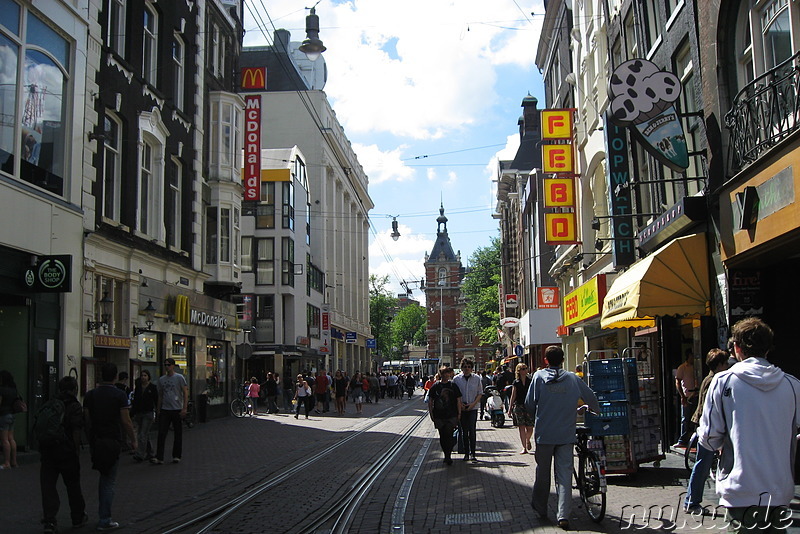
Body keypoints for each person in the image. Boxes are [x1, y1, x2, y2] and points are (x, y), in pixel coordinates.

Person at [698, 317, 800, 531]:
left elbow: (709, 437)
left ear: (736, 348)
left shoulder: (723, 382)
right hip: (779, 490)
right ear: (768, 348)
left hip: (740, 490)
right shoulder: (792, 385)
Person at [525, 345, 600, 530]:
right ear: (563, 359)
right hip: (566, 434)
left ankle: (541, 508)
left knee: (543, 473)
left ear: (545, 360)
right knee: (565, 474)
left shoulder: (538, 377)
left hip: (544, 434)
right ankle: (563, 515)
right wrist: (596, 410)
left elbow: (528, 403)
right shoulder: (573, 378)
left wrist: (537, 414)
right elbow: (591, 397)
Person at [83, 362, 137, 531]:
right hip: (112, 440)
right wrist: (133, 439)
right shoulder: (119, 395)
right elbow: (126, 421)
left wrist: (90, 438)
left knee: (103, 476)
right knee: (108, 481)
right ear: (115, 377)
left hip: (96, 440)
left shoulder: (90, 395)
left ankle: (99, 515)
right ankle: (105, 518)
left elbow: (87, 420)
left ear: (101, 375)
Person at [39, 376, 87, 534]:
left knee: (48, 487)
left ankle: (50, 521)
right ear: (74, 389)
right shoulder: (74, 406)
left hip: (47, 450)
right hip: (66, 451)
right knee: (73, 485)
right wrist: (76, 450)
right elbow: (76, 430)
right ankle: (78, 517)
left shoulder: (50, 403)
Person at [684, 348, 729, 513]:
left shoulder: (708, 378)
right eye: (726, 363)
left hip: (703, 424)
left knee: (702, 464)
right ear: (720, 364)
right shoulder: (714, 381)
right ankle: (691, 502)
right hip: (707, 426)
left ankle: (691, 500)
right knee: (702, 465)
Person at [152, 358, 188, 465]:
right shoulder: (162, 380)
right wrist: (158, 409)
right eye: (165, 365)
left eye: (168, 365)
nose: (167, 367)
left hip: (177, 409)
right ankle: (160, 457)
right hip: (165, 409)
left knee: (178, 433)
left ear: (173, 366)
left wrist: (184, 408)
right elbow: (161, 395)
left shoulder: (179, 378)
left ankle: (176, 455)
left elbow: (185, 393)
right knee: (162, 433)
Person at [427, 366, 462, 465]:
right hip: (439, 415)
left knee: (449, 434)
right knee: (442, 435)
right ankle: (446, 454)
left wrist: (459, 413)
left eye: (447, 373)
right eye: (443, 373)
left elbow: (458, 399)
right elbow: (430, 400)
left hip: (451, 414)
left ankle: (448, 455)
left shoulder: (453, 385)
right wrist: (431, 413)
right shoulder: (435, 386)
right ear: (440, 375)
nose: (446, 375)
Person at [453, 357, 482, 462]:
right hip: (461, 408)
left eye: (469, 367)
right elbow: (454, 395)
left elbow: (480, 393)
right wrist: (460, 405)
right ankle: (466, 453)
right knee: (464, 432)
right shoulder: (456, 379)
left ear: (472, 368)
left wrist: (473, 404)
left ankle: (473, 453)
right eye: (465, 367)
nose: (467, 369)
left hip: (473, 408)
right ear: (461, 368)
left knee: (472, 431)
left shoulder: (477, 378)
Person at [131, 370, 158, 462]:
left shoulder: (153, 388)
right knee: (144, 434)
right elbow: (135, 401)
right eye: (142, 375)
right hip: (139, 413)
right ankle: (150, 452)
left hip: (148, 413)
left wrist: (156, 413)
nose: (143, 377)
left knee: (142, 434)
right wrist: (133, 413)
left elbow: (156, 401)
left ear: (148, 377)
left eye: (145, 375)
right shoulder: (138, 388)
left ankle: (140, 454)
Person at [674, 349, 698, 448]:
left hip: (695, 394)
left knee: (695, 418)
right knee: (685, 418)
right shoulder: (682, 368)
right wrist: (682, 396)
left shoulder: (696, 367)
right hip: (687, 395)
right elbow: (678, 382)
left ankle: (694, 439)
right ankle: (682, 439)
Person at [509, 363, 534, 454]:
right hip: (519, 405)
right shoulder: (516, 382)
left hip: (529, 405)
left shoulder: (531, 381)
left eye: (525, 368)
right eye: (522, 369)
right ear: (518, 371)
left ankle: (527, 440)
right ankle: (524, 447)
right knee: (521, 427)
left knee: (530, 427)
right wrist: (510, 408)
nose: (524, 370)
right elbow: (513, 395)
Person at [0, 369, 19, 469]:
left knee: (4, 440)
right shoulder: (14, 389)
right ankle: (14, 461)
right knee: (11, 438)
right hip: (12, 415)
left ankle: (6, 462)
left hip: (3, 415)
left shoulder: (2, 390)